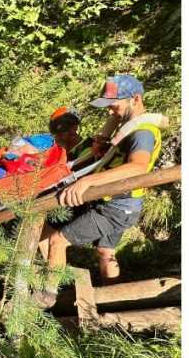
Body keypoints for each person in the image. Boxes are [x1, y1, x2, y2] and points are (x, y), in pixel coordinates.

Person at [37, 75, 163, 306]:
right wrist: (108, 133)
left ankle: (48, 297)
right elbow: (109, 145)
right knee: (106, 252)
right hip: (114, 202)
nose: (109, 111)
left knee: (57, 240)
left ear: (135, 99)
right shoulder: (128, 125)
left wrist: (86, 183)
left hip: (116, 207)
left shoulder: (142, 132)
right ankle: (113, 300)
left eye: (113, 104)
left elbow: (138, 166)